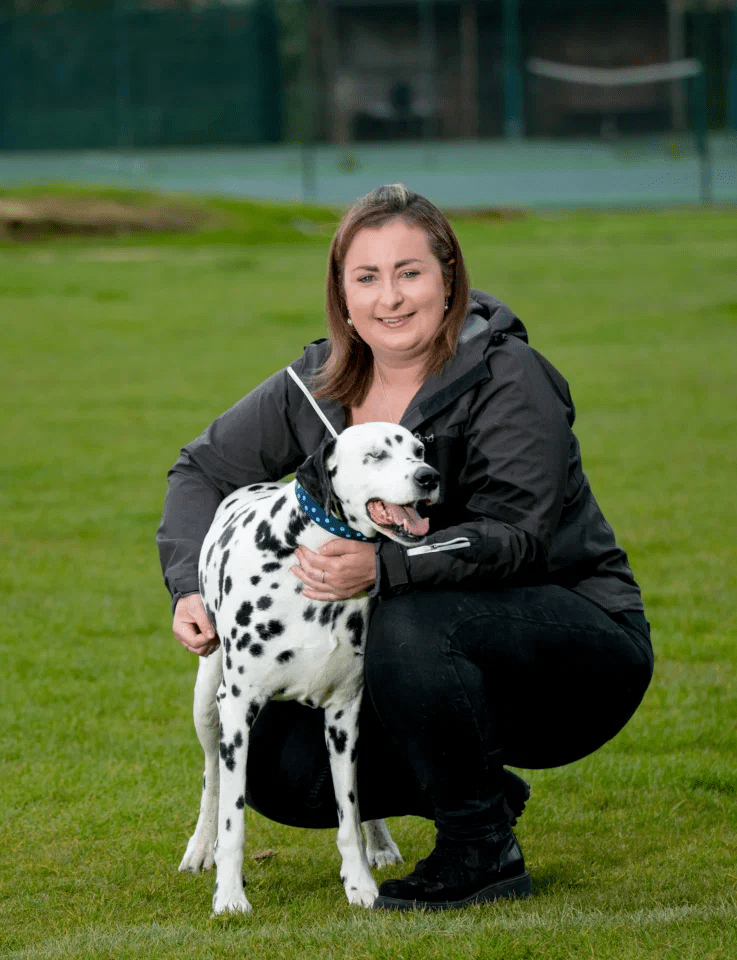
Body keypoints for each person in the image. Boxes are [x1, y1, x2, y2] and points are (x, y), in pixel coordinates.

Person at [157, 183, 653, 911]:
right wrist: (188, 584)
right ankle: (473, 781)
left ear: (448, 276)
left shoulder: (510, 378)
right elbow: (201, 470)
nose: (389, 298)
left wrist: (382, 567)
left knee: (408, 617)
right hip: (418, 656)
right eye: (366, 277)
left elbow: (517, 535)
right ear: (342, 294)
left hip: (574, 651)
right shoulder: (314, 385)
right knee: (277, 770)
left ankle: (480, 851)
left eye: (409, 272)